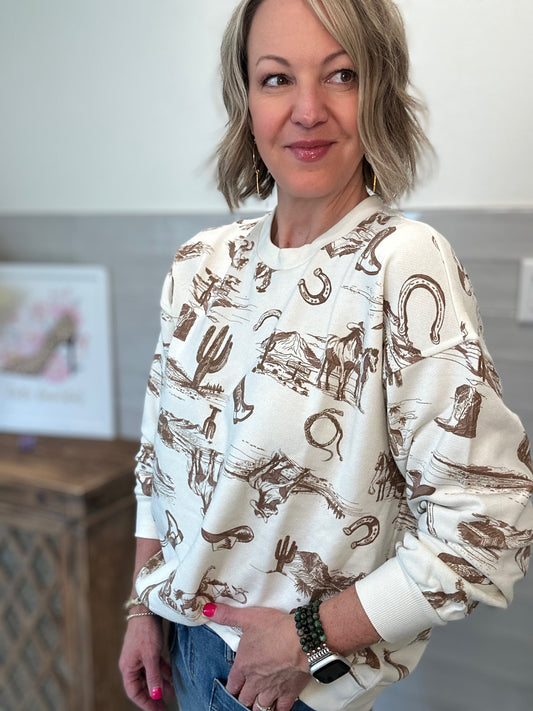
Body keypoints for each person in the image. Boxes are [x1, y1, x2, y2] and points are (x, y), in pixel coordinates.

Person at [119, 1, 533, 710]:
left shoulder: (403, 263)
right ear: (246, 100)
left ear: (379, 91)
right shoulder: (199, 263)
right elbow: (160, 461)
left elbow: (486, 529)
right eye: (277, 78)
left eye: (342, 75)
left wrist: (305, 637)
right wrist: (143, 604)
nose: (308, 110)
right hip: (180, 640)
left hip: (278, 682)